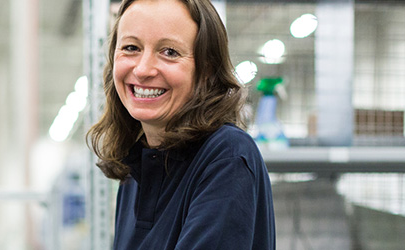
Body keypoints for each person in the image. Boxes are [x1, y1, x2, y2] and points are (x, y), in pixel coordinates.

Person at [86, 0, 275, 249]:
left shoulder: (227, 156)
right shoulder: (136, 171)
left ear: (206, 69)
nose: (142, 69)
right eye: (131, 47)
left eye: (170, 52)